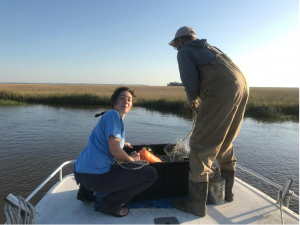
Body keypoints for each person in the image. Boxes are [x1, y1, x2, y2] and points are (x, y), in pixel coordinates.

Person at [169, 26, 249, 217]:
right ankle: (227, 194)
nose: (176, 49)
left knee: (200, 145)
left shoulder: (185, 51)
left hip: (220, 90)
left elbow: (191, 84)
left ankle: (195, 205)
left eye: (176, 45)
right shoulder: (212, 48)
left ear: (181, 41)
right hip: (243, 87)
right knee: (225, 139)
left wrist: (192, 100)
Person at [73, 87, 158, 217]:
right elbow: (115, 151)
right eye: (122, 98)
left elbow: (108, 143)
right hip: (96, 178)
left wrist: (123, 144)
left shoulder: (108, 115)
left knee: (113, 163)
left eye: (129, 99)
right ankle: (109, 205)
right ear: (114, 101)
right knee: (151, 174)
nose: (126, 101)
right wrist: (132, 159)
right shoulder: (114, 115)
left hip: (80, 172)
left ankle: (85, 194)